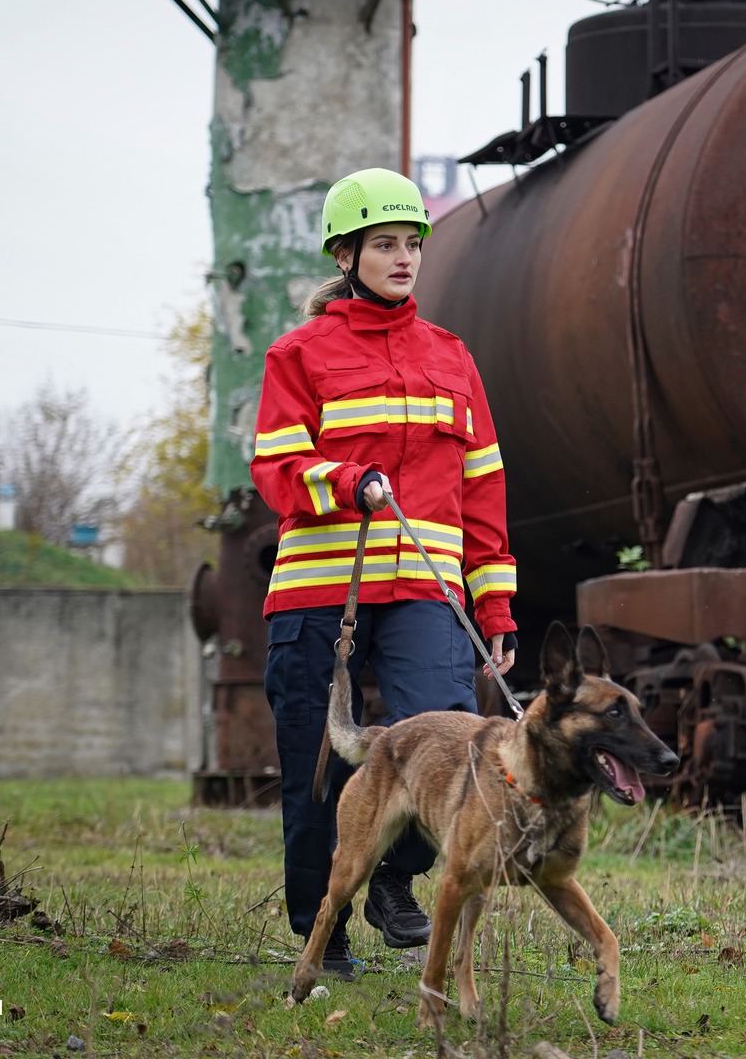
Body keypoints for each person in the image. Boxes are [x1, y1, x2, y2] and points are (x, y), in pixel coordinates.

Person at [252, 167, 519, 977]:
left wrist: (496, 605)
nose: (403, 258)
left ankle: (394, 883)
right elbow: (276, 467)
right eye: (384, 245)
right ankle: (321, 933)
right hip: (319, 591)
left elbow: (484, 488)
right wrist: (343, 480)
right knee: (318, 766)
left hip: (427, 595)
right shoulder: (298, 354)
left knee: (444, 750)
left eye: (411, 244)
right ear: (346, 252)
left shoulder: (452, 357)